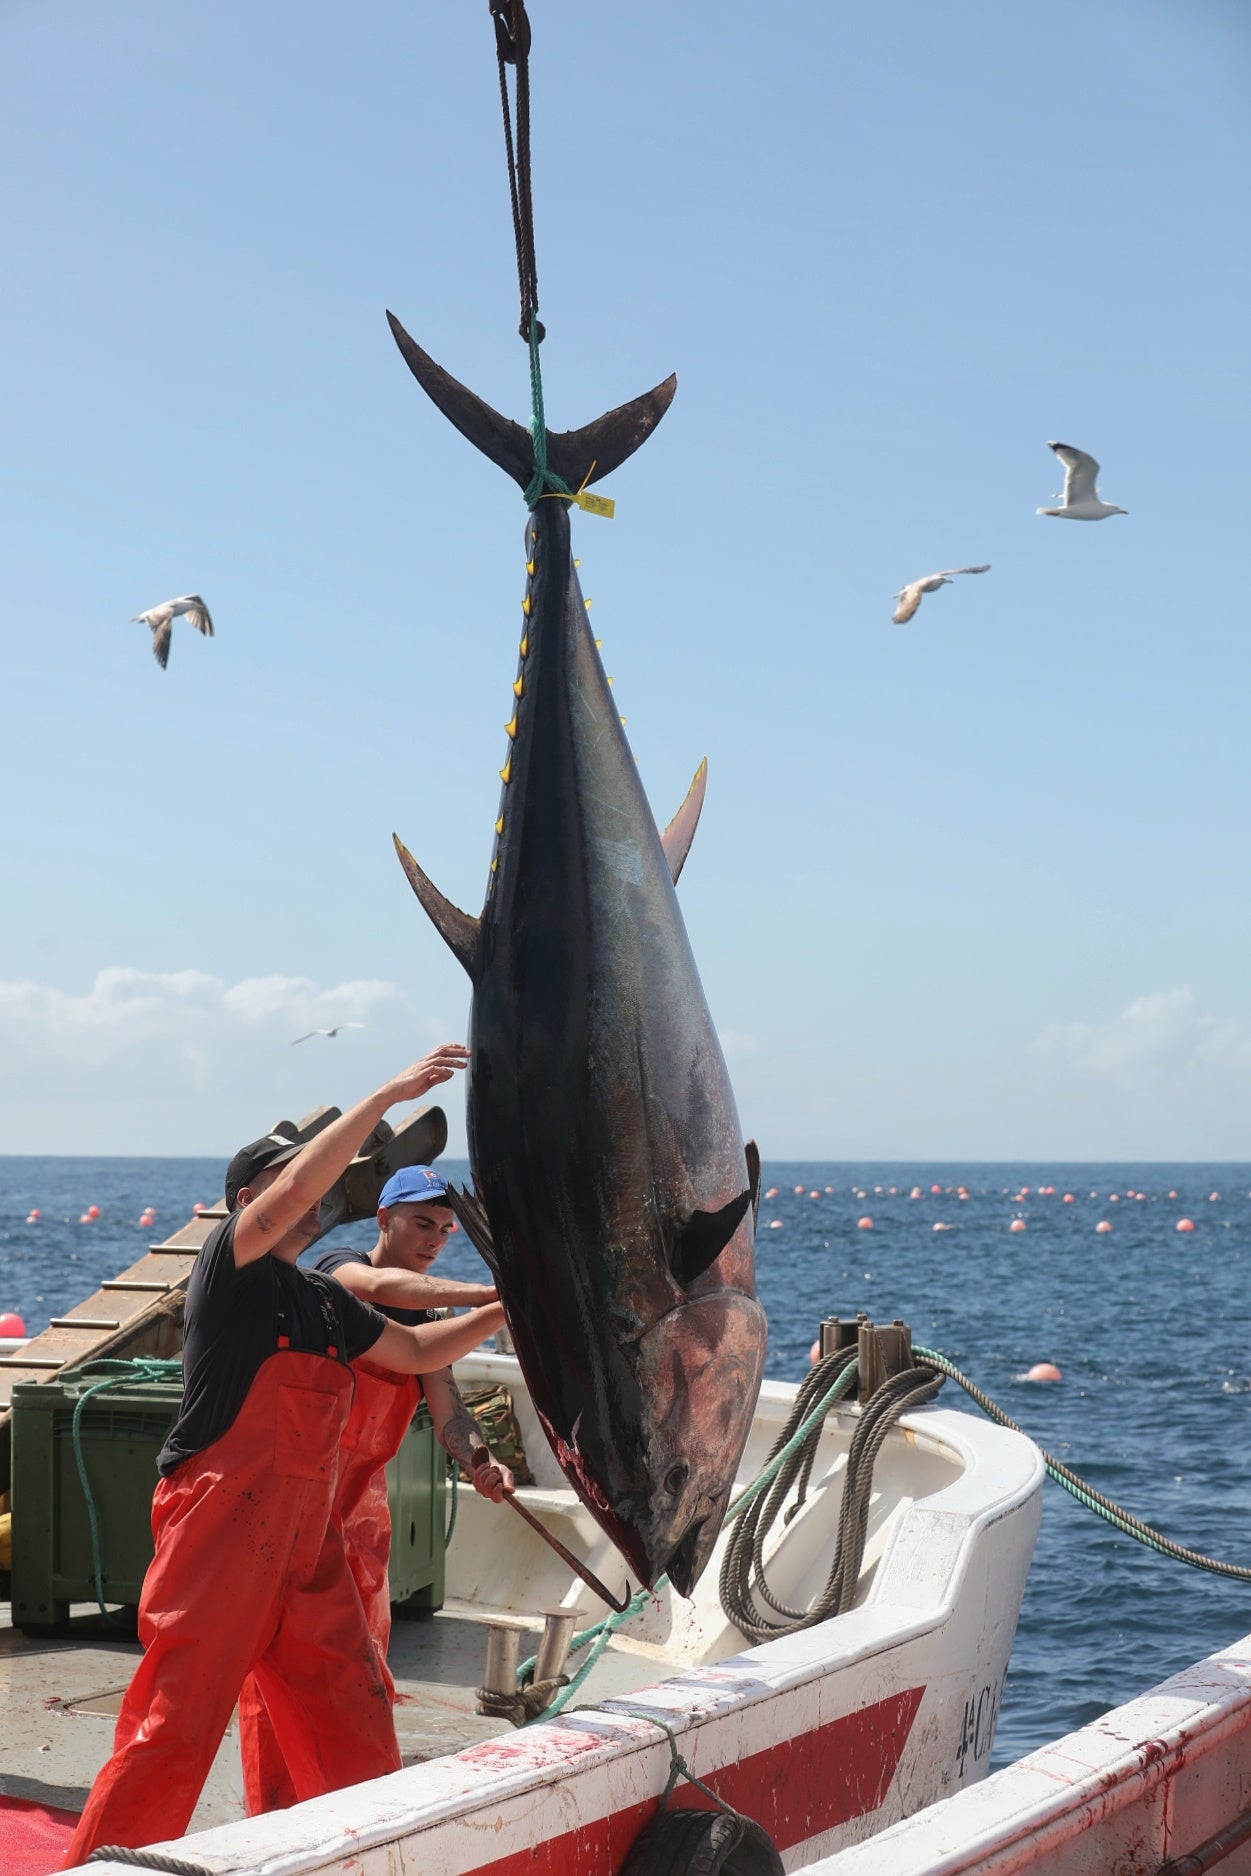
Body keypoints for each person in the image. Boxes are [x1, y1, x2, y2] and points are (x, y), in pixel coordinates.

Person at [63, 1048, 506, 1866]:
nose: (316, 1194)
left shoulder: (326, 1299)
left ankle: (366, 1859)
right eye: (294, 1178)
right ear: (246, 1202)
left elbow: (414, 1351)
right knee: (174, 1728)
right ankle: (103, 1867)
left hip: (309, 1544)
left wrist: (512, 1302)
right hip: (218, 1533)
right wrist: (387, 1095)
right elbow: (304, 1188)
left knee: (354, 1719)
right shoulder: (228, 1268)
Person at [237, 1163, 513, 1814]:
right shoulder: (336, 1264)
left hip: (362, 1520)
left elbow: (446, 1409)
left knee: (362, 1680)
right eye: (422, 1223)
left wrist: (480, 1460)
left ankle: (346, 1818)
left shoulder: (435, 1315)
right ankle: (270, 1816)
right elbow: (385, 1285)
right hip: (296, 1507)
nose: (433, 1238)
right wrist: (501, 1296)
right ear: (383, 1219)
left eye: (445, 1230)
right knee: (276, 1678)